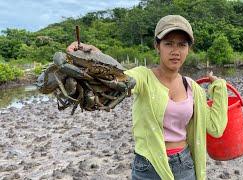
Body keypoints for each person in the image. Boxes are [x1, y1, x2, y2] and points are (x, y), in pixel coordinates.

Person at [67, 15, 228, 180]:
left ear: (188, 49)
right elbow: (119, 78)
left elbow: (215, 127)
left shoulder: (193, 88)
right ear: (157, 46)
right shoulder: (144, 77)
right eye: (168, 43)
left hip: (184, 165)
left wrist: (219, 88)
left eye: (182, 45)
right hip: (148, 167)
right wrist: (96, 56)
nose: (175, 51)